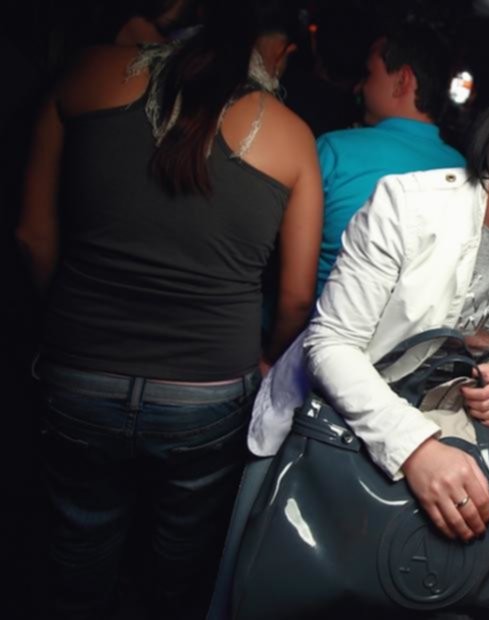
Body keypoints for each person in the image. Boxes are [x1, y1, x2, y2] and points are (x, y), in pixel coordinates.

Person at [15, 0, 322, 615]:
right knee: (182, 553)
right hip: (208, 390)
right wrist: (266, 359)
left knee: (79, 540)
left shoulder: (89, 72)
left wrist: (73, 321)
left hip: (79, 372)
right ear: (270, 51)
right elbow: (294, 298)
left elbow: (31, 236)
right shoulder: (292, 135)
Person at [250, 48, 489, 542]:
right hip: (326, 440)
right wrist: (416, 448)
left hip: (430, 456)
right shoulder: (408, 204)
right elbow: (331, 344)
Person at [312, 23, 466, 298]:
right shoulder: (465, 170)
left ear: (402, 81)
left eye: (368, 74)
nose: (359, 87)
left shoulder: (335, 150)